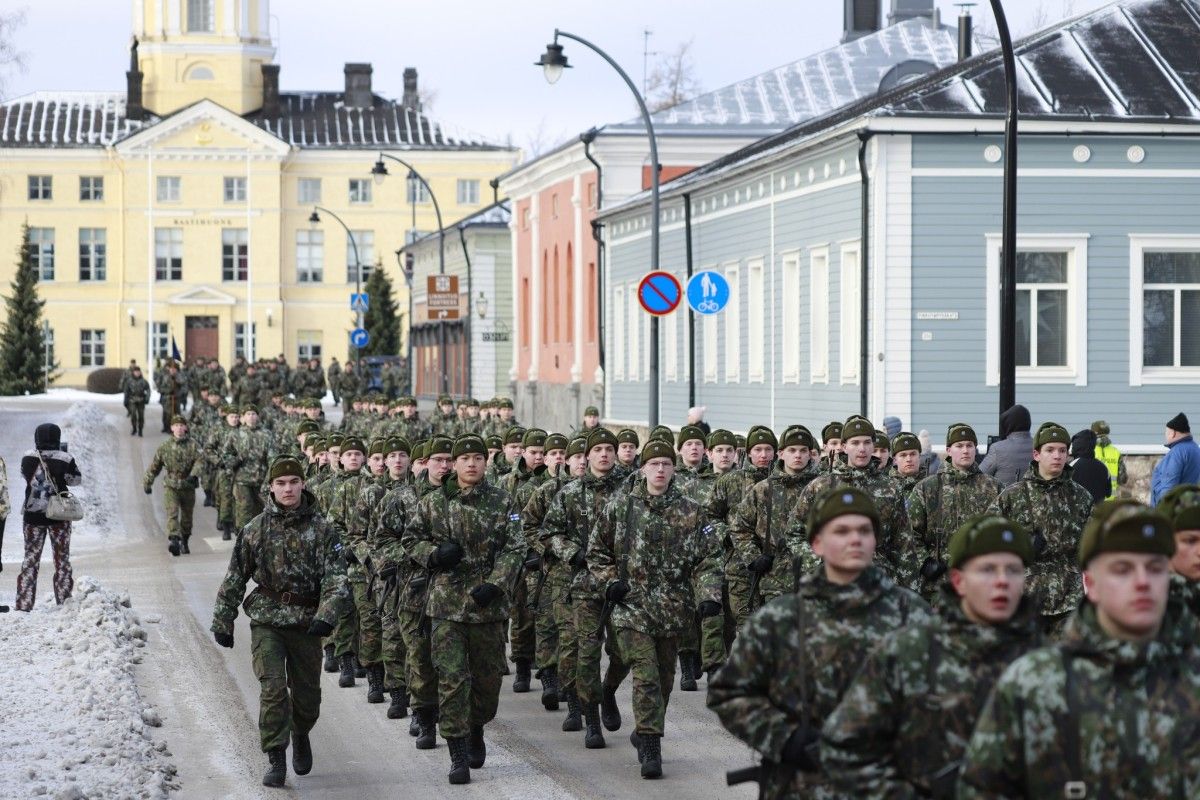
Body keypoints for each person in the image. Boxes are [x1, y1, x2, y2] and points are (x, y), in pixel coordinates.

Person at [958, 501, 1200, 798]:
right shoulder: (1035, 683)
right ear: (1090, 582)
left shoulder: (1192, 677)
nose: (1142, 583)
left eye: (1155, 568)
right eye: (1122, 569)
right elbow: (982, 789)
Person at [708, 487, 932, 798]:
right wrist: (786, 739)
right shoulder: (783, 618)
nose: (855, 539)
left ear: (875, 540)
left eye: (864, 531)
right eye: (841, 531)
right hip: (802, 787)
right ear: (816, 543)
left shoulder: (913, 614)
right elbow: (728, 693)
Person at [821, 515, 1041, 798]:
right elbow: (843, 746)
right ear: (959, 581)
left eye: (1013, 570)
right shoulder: (909, 652)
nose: (1001, 582)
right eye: (987, 570)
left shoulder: (1045, 662)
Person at [210, 456, 350, 788]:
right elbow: (235, 576)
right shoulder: (255, 528)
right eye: (281, 483)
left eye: (293, 482)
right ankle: (275, 756)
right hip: (267, 620)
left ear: (303, 484)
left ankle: (301, 732)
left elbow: (338, 580)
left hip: (306, 623)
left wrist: (326, 616)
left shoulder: (323, 529)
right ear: (271, 488)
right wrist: (223, 620)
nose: (288, 488)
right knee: (272, 689)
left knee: (307, 698)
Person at [588, 438, 723, 779]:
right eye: (654, 464)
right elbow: (597, 551)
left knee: (664, 679)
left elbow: (709, 558)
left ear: (673, 467)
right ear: (643, 468)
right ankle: (651, 746)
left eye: (666, 464)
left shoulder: (693, 510)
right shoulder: (621, 507)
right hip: (631, 607)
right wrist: (609, 581)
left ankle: (643, 726)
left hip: (673, 610)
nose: (660, 470)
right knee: (646, 675)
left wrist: (708, 594)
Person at [404, 435, 523, 785]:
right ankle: (457, 752)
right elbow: (411, 540)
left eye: (478, 458)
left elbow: (516, 547)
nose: (471, 464)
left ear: (486, 463)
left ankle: (475, 726)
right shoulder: (432, 503)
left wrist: (497, 584)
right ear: (453, 464)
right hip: (446, 604)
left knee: (487, 681)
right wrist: (435, 554)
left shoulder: (503, 501)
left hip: (487, 606)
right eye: (464, 458)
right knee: (452, 678)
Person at [989, 422, 1093, 634]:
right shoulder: (1012, 496)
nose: (1057, 456)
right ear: (1036, 454)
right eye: (1050, 450)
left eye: (1062, 450)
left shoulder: (1081, 497)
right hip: (1026, 597)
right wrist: (1019, 547)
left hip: (1069, 599)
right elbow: (988, 539)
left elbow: (1093, 545)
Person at [901, 423, 1004, 604]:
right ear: (949, 450)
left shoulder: (993, 487)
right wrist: (925, 562)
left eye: (969, 445)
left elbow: (1006, 529)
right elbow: (908, 531)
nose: (965, 451)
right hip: (939, 586)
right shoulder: (928, 488)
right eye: (959, 446)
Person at [16, 424, 82, 611]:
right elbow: (75, 480)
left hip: (32, 517)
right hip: (59, 517)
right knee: (62, 560)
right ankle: (64, 601)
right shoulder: (65, 458)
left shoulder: (28, 457)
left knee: (30, 559)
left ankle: (24, 603)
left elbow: (23, 474)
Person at [143, 415, 204, 556]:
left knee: (187, 518)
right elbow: (155, 466)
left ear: (186, 428)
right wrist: (147, 482)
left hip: (188, 486)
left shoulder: (193, 445)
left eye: (181, 425)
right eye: (176, 425)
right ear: (171, 428)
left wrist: (194, 474)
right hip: (171, 486)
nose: (179, 428)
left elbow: (200, 461)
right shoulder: (165, 447)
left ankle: (185, 540)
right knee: (172, 513)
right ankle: (174, 540)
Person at [1152, 412, 1200, 505]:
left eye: (1166, 432)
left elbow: (1168, 489)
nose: (1165, 436)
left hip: (1174, 513)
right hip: (1191, 510)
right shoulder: (1196, 449)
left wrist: (1162, 508)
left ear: (1173, 433)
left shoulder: (1176, 453)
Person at [980, 403, 1032, 487]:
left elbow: (979, 476)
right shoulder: (1040, 447)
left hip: (1005, 498)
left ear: (1007, 424)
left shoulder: (997, 449)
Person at [1069, 428, 1112, 504]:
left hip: (1077, 513)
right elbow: (1108, 493)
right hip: (1098, 513)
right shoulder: (1104, 468)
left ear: (1076, 445)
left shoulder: (1070, 467)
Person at [1091, 420, 1128, 498]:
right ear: (1107, 434)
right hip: (1111, 501)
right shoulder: (1116, 452)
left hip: (1094, 500)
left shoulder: (1089, 451)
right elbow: (1123, 479)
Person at [124, 365, 150, 437]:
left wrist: (147, 398)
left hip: (141, 400)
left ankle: (140, 430)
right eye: (136, 372)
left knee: (141, 416)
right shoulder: (129, 381)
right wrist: (125, 399)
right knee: (133, 415)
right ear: (133, 372)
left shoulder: (143, 381)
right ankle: (134, 428)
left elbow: (148, 390)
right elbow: (126, 391)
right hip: (132, 400)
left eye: (138, 372)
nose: (137, 373)